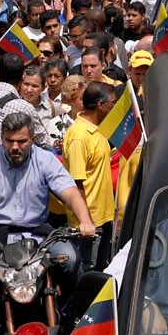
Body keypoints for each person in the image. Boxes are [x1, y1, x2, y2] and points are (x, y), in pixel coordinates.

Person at [0, 112, 97, 253]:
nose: (15, 147)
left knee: (70, 258)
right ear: (1, 138)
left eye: (22, 141)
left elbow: (71, 193)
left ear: (33, 139)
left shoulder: (46, 160)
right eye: (9, 141)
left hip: (38, 235)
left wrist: (85, 221)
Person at [63, 82, 118, 250]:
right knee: (89, 273)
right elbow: (77, 183)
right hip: (89, 225)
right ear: (100, 105)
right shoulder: (79, 136)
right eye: (113, 104)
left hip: (104, 218)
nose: (115, 109)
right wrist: (85, 221)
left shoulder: (98, 129)